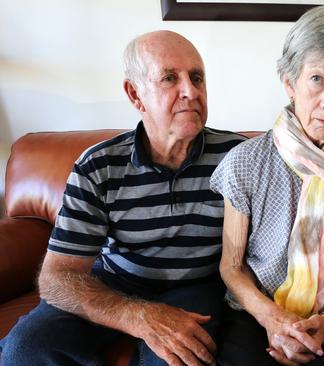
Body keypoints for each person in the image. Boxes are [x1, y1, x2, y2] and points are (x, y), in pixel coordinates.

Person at [0, 30, 245, 366]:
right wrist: (138, 316)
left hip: (196, 283)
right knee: (24, 350)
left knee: (177, 359)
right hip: (115, 280)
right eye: (170, 78)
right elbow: (56, 278)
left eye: (197, 77)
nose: (190, 91)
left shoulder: (237, 158)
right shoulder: (98, 166)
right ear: (135, 93)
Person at [210, 5, 324, 365]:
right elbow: (231, 266)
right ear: (290, 83)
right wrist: (274, 320)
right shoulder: (245, 163)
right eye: (317, 79)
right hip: (255, 312)